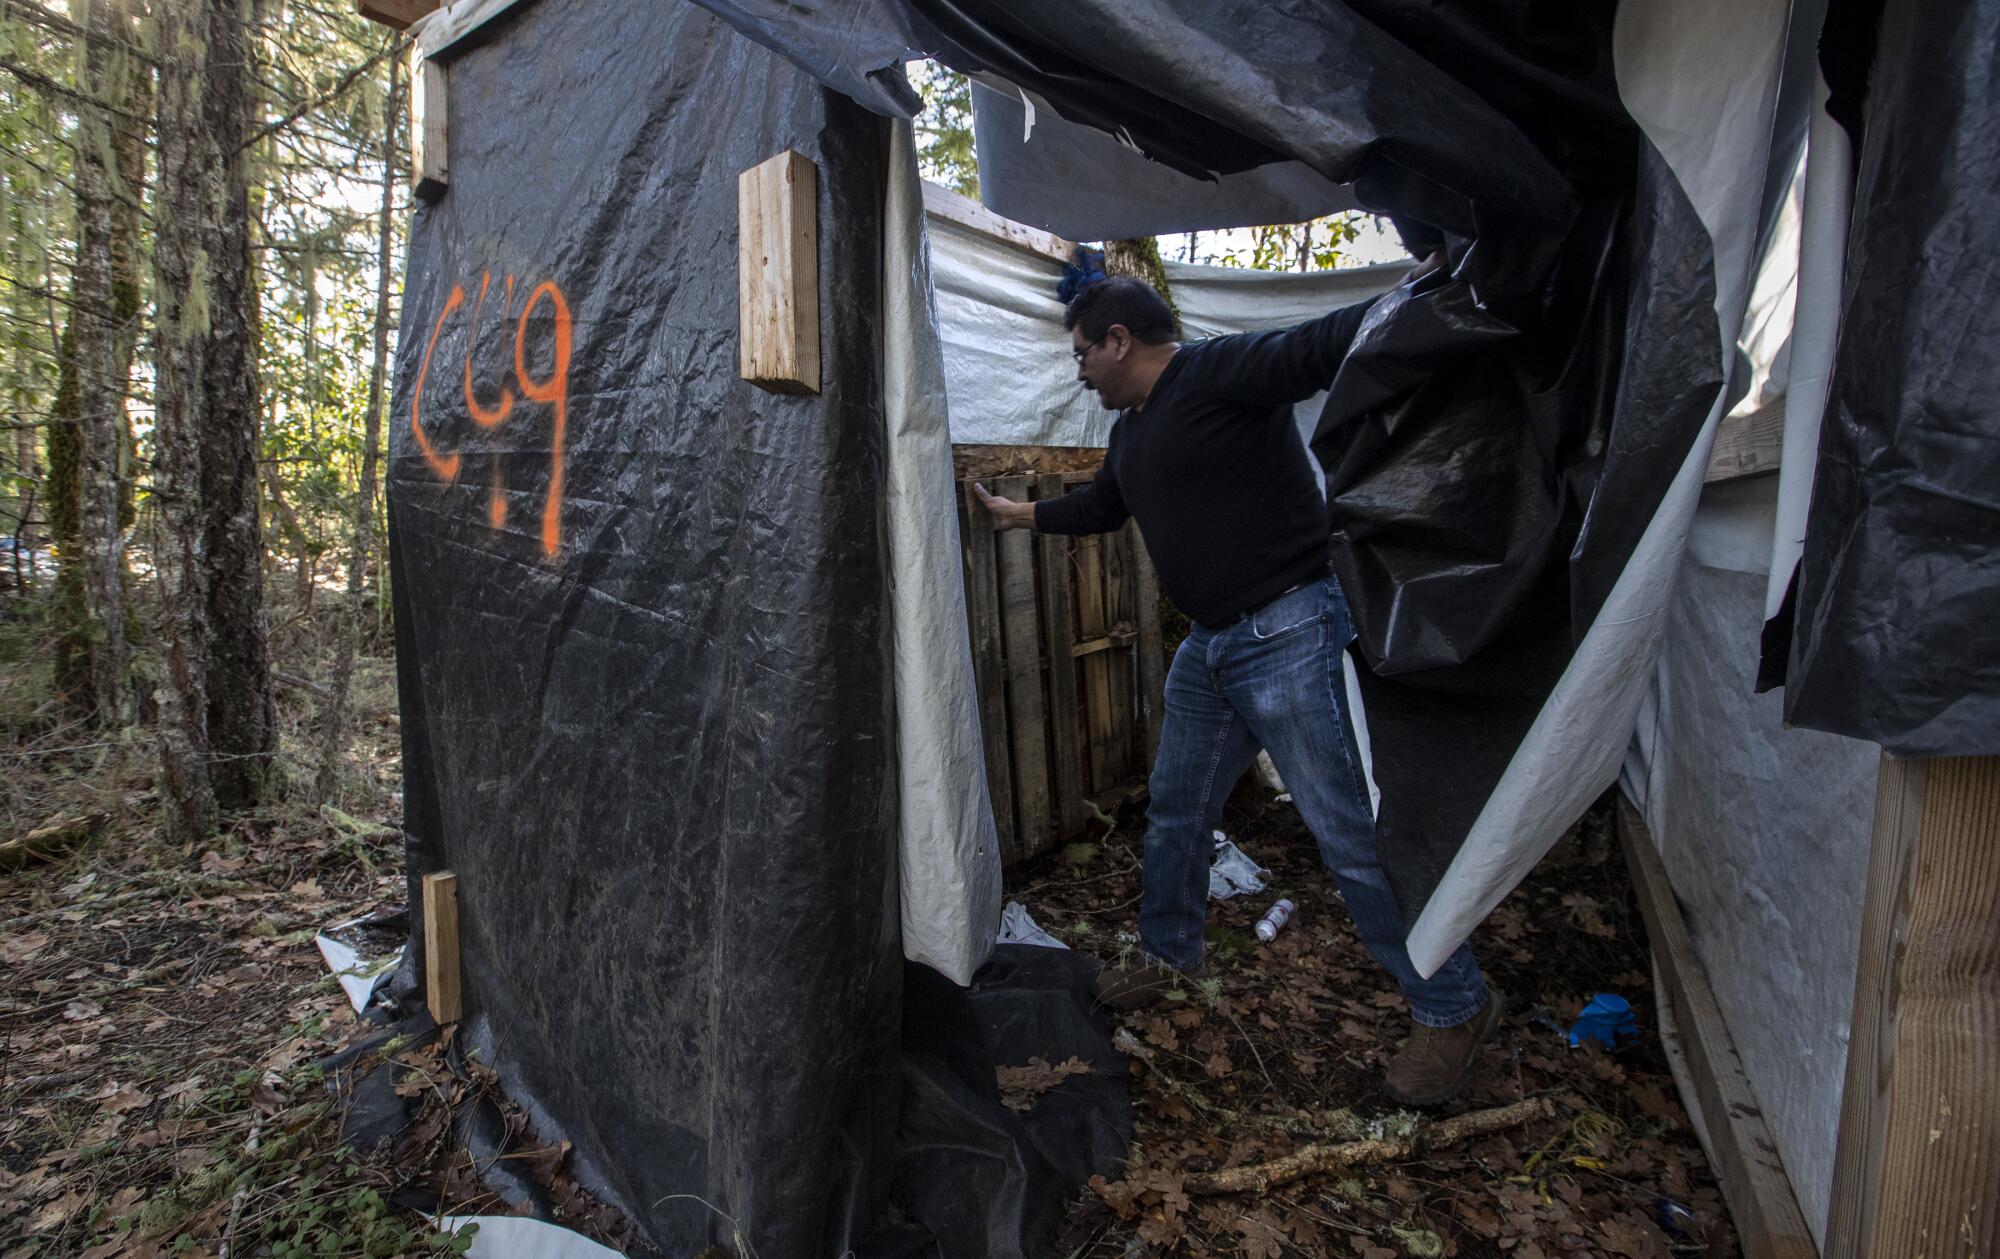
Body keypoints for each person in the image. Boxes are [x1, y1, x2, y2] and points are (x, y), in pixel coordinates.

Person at [974, 273, 1499, 1105]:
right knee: (1178, 806)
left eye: (1082, 355)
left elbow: (1323, 345)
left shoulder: (1219, 374)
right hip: (1213, 646)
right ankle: (1167, 953)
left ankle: (1452, 1003)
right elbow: (1102, 508)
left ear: (1119, 340)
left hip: (1288, 627)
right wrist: (1016, 516)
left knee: (1346, 835)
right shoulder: (1132, 436)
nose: (1079, 373)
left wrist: (1437, 295)